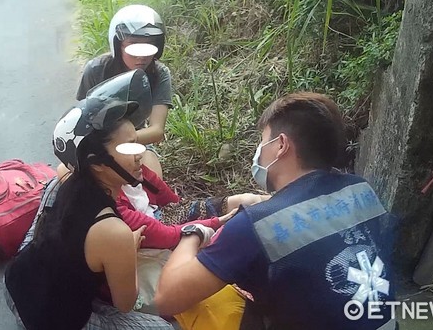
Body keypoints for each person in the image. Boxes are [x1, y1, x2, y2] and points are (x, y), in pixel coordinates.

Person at [154, 92, 397, 330]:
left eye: (263, 142)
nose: (259, 152)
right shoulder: (359, 188)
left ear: (281, 145)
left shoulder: (256, 225)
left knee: (217, 301)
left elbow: (167, 298)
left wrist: (193, 232)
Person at [4, 70, 173, 330]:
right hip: (53, 319)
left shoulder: (61, 185)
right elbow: (126, 304)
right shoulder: (114, 232)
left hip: (19, 282)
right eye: (128, 147)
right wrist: (127, 249)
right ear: (97, 164)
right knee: (161, 327)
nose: (141, 153)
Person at [76, 4, 171, 178]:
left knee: (154, 184)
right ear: (117, 44)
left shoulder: (159, 73)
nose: (141, 56)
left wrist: (121, 143)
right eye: (133, 45)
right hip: (97, 143)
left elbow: (157, 130)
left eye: (148, 46)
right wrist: (103, 146)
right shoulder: (96, 69)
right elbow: (80, 120)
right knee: (67, 176)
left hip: (136, 139)